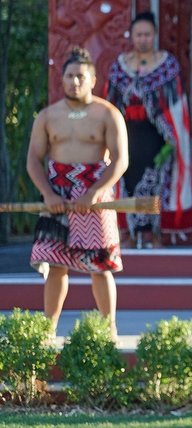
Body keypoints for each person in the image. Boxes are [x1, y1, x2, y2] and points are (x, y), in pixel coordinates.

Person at [27, 47, 128, 340]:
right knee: (55, 265)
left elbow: (120, 160)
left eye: (80, 76)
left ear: (93, 79)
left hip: (95, 195)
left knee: (101, 266)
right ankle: (48, 330)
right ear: (62, 79)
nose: (75, 82)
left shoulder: (108, 114)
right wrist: (47, 194)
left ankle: (109, 330)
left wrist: (94, 192)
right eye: (69, 76)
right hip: (56, 193)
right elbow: (34, 159)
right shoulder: (47, 116)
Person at [106, 11, 192, 249]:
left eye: (147, 34)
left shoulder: (168, 66)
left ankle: (153, 233)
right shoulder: (120, 67)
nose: (143, 39)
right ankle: (126, 232)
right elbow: (110, 105)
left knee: (156, 183)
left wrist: (172, 139)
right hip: (127, 136)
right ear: (131, 36)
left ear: (154, 35)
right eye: (138, 34)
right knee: (126, 181)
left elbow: (177, 107)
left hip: (157, 137)